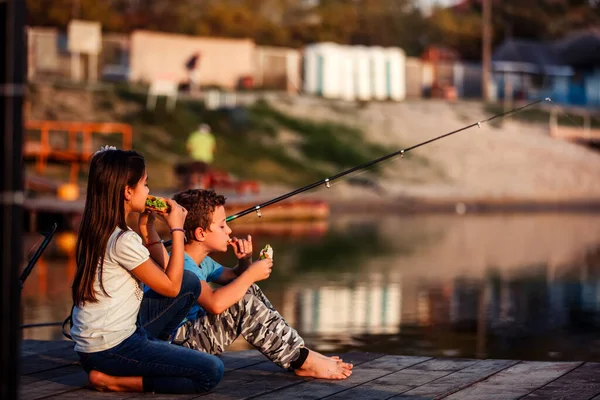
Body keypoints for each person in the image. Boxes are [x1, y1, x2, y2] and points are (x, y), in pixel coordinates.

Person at [70, 146, 224, 394]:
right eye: (145, 184)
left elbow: (173, 278)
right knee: (211, 371)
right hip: (112, 350)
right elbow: (170, 288)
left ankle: (155, 354)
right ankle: (114, 381)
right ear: (128, 192)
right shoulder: (123, 241)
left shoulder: (98, 230)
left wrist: (147, 230)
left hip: (101, 343)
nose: (149, 192)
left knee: (190, 283)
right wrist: (177, 230)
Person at [171, 188, 354, 380]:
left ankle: (300, 352)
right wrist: (250, 274)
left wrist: (245, 261)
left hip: (193, 335)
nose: (229, 230)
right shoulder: (182, 264)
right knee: (244, 303)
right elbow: (214, 304)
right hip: (180, 346)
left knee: (248, 289)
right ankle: (302, 360)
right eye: (222, 226)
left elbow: (235, 277)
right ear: (200, 233)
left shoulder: (200, 260)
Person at [176, 123, 216, 189]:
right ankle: (203, 187)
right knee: (204, 173)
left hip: (194, 157)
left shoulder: (194, 135)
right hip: (206, 159)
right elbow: (213, 149)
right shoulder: (210, 137)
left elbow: (189, 147)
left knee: (194, 173)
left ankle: (192, 186)